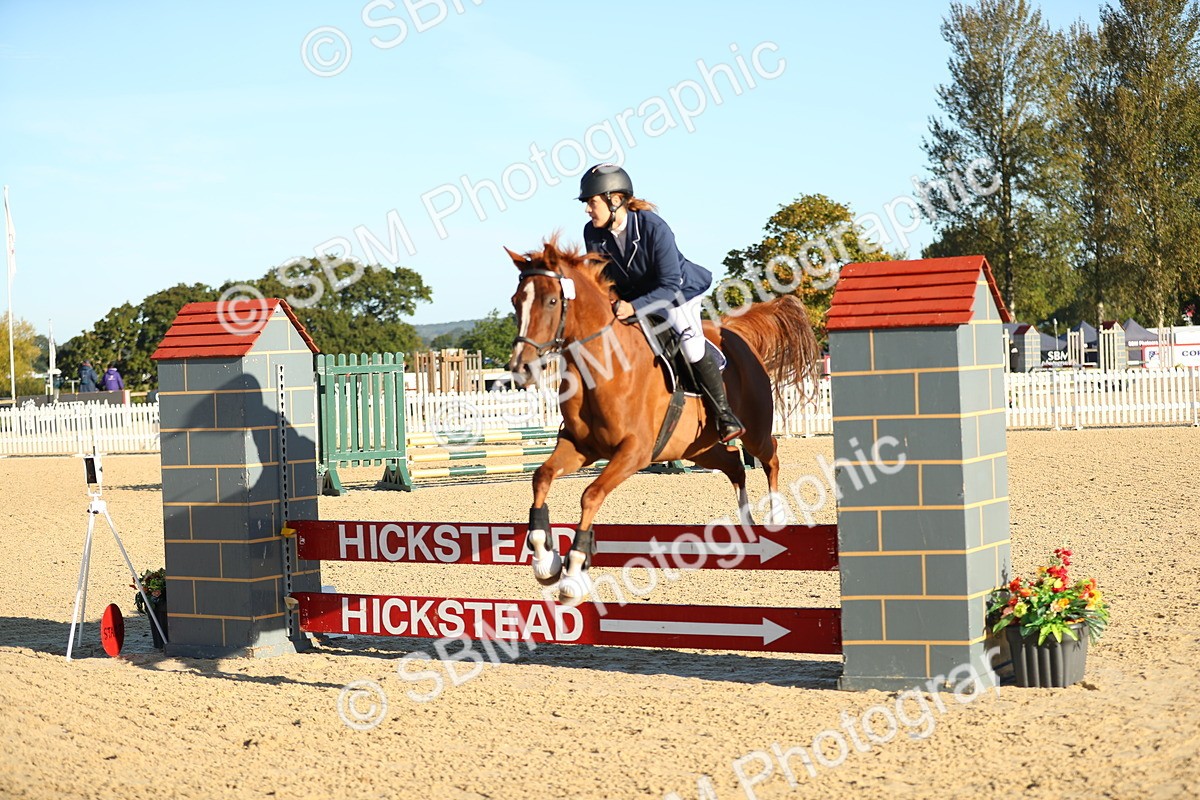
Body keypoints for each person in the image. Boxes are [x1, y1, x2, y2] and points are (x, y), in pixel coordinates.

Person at [578, 163, 745, 443]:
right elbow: (602, 279)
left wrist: (633, 308)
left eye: (592, 202)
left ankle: (725, 415)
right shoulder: (592, 233)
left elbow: (669, 285)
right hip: (632, 296)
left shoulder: (654, 227)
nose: (587, 210)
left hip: (679, 293)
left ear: (615, 200)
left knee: (690, 348)